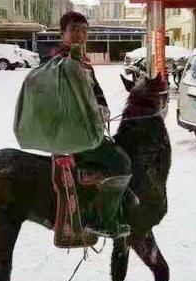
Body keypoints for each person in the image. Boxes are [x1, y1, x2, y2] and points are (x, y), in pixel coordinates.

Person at [54, 11, 132, 239]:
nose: (80, 34)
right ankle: (100, 220)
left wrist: (102, 108)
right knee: (122, 162)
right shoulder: (59, 63)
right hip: (72, 135)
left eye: (84, 30)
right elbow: (62, 100)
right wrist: (89, 111)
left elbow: (95, 94)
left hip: (88, 129)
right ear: (62, 33)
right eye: (74, 29)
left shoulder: (83, 62)